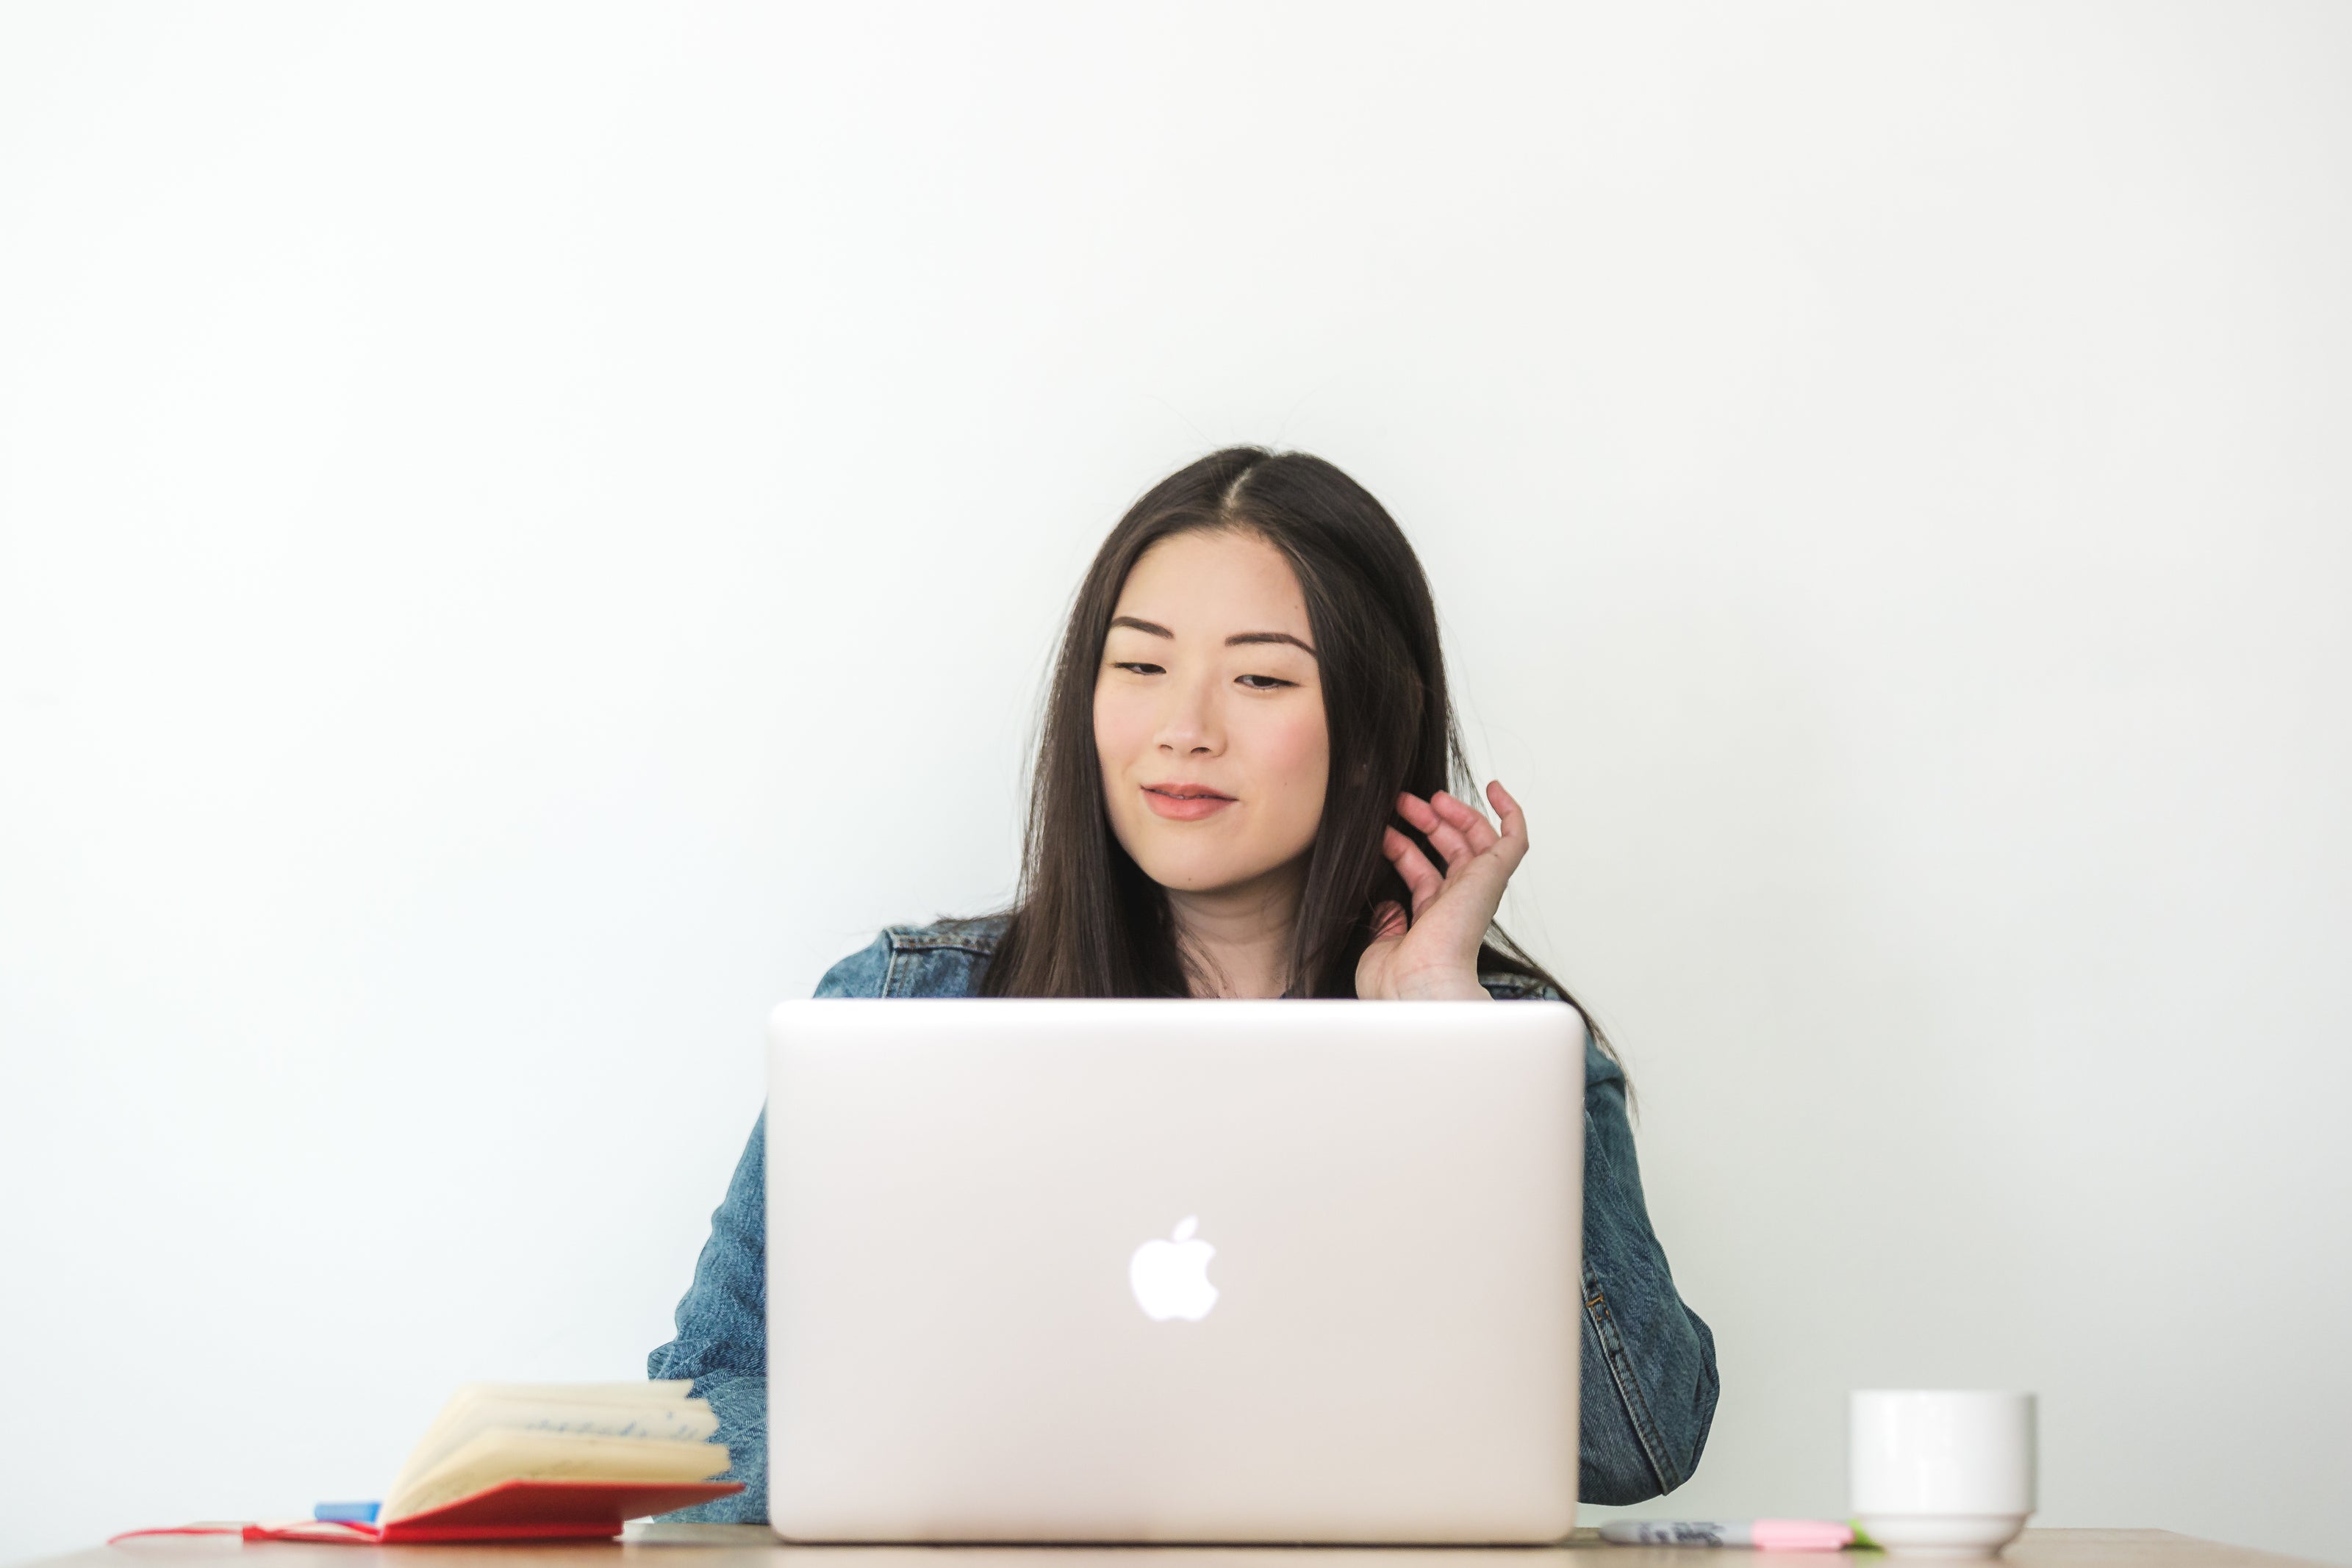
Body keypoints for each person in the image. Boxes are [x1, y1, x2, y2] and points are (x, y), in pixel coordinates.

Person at [648, 447, 1718, 1514]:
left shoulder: (1502, 1044)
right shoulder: (899, 1010)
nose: (1186, 729)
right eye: (1141, 665)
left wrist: (1451, 1038)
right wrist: (1036, 1470)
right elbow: (694, 1413)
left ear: (1365, 733)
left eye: (1259, 677)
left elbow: (1639, 1441)